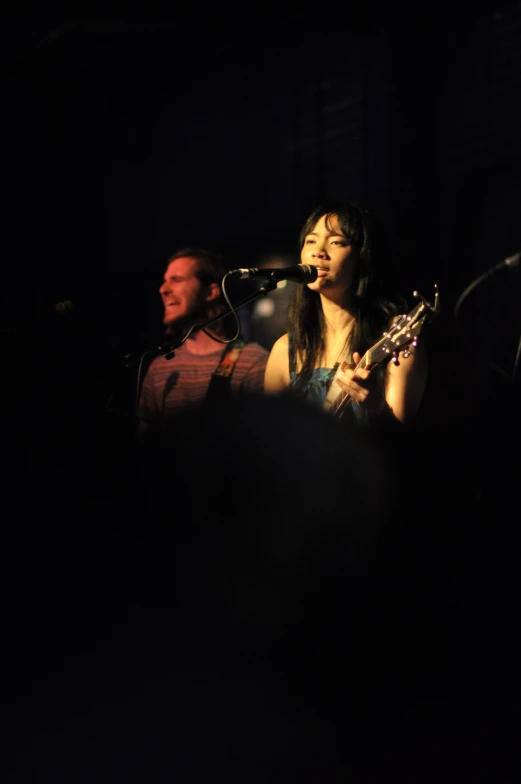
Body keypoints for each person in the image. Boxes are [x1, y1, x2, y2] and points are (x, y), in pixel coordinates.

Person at [264, 200, 431, 430]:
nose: (318, 252)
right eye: (311, 240)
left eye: (336, 242)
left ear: (362, 259)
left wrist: (374, 405)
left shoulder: (395, 334)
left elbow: (402, 441)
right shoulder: (285, 350)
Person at [136, 246, 269, 444]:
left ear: (211, 292)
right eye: (164, 281)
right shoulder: (159, 368)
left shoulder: (252, 361)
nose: (163, 289)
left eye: (177, 279)